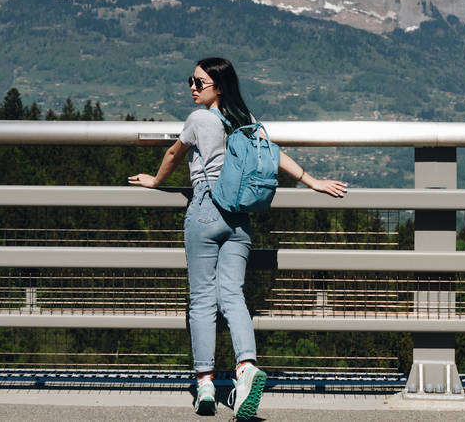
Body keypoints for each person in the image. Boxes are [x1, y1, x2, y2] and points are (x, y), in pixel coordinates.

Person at [129, 57, 348, 419]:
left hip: (205, 209)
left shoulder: (199, 120)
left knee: (202, 299)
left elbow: (173, 153)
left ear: (218, 87)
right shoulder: (246, 121)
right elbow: (275, 156)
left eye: (199, 83)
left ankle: (205, 384)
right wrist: (313, 182)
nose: (192, 88)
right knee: (232, 294)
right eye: (192, 81)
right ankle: (245, 368)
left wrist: (155, 181)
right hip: (240, 219)